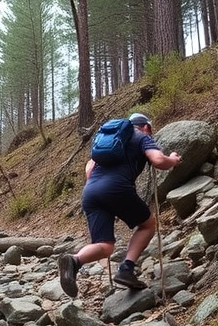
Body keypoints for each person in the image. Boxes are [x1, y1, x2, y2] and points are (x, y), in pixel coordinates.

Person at [58, 112, 181, 296]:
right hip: (116, 188)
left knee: (105, 245)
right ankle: (126, 268)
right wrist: (173, 159)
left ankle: (74, 261)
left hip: (91, 191)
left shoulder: (109, 141)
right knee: (147, 224)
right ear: (146, 127)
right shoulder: (142, 137)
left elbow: (89, 169)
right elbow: (158, 160)